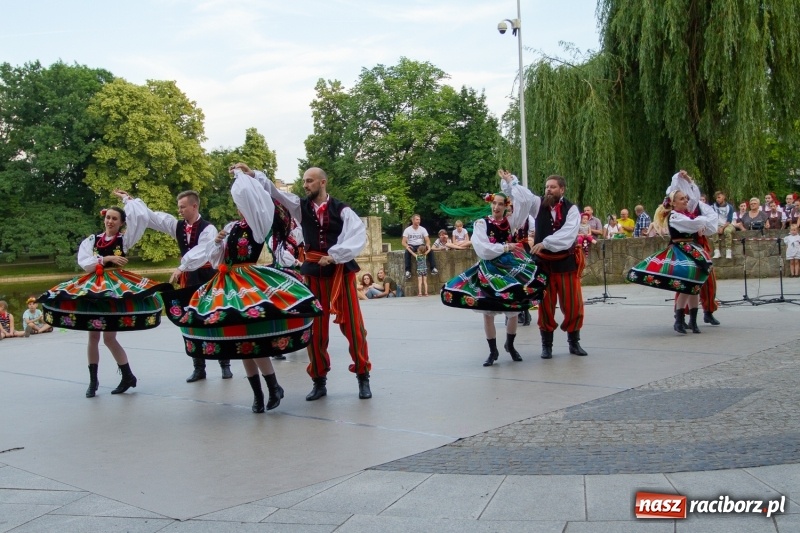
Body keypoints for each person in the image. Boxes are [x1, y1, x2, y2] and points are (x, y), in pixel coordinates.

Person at [162, 165, 322, 413]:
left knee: (251, 337)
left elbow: (266, 207)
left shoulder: (258, 226)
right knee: (240, 340)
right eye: (238, 202)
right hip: (227, 281)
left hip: (248, 281)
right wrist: (216, 243)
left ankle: (272, 387)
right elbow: (216, 259)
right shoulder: (231, 226)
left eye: (243, 201)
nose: (239, 206)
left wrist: (247, 178)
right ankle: (259, 394)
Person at [254, 166, 373, 400]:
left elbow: (358, 234)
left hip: (340, 272)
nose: (305, 185)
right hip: (314, 273)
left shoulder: (342, 209)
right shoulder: (301, 207)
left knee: (354, 327)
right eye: (304, 181)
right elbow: (275, 193)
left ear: (323, 183)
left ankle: (362, 376)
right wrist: (253, 176)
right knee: (316, 330)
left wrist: (336, 254)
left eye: (309, 181)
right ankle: (319, 380)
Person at [37, 202, 169, 397]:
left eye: (115, 219)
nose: (110, 221)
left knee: (109, 338)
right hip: (95, 286)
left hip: (114, 288)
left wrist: (130, 201)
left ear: (122, 223)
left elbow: (140, 219)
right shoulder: (93, 239)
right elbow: (85, 263)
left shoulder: (124, 240)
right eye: (108, 217)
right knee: (93, 337)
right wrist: (106, 259)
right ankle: (94, 381)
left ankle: (127, 376)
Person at [121, 189, 233, 383]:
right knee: (189, 320)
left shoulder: (208, 229)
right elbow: (152, 217)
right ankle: (199, 368)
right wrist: (131, 202)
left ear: (194, 206)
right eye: (179, 207)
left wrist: (181, 267)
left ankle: (225, 365)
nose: (179, 210)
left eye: (183, 207)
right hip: (188, 279)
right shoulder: (177, 226)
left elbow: (203, 252)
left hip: (207, 277)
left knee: (215, 318)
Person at [441, 170, 547, 366]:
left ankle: (510, 345)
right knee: (487, 310)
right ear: (490, 204)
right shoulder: (482, 223)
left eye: (500, 204)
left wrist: (510, 183)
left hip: (510, 265)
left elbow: (525, 201)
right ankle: (493, 351)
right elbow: (483, 249)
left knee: (514, 307)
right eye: (494, 203)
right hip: (490, 267)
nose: (496, 207)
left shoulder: (511, 221)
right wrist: (506, 246)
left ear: (506, 207)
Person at [627, 184, 716, 334]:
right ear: (673, 203)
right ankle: (679, 320)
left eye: (686, 198)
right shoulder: (675, 216)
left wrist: (700, 227)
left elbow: (697, 227)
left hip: (692, 249)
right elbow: (693, 225)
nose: (685, 201)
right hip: (681, 250)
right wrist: (703, 222)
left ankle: (693, 321)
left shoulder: (686, 215)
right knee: (686, 285)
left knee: (695, 285)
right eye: (682, 199)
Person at [527, 175, 588, 358]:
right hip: (543, 265)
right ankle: (547, 346)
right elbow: (522, 197)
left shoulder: (572, 209)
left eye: (552, 187)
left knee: (572, 304)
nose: (548, 190)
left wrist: (545, 243)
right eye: (547, 187)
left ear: (562, 189)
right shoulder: (538, 205)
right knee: (545, 305)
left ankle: (574, 343)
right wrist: (510, 182)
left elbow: (569, 234)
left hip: (565, 262)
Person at [402, 214, 437, 279]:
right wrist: (407, 246)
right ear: (413, 220)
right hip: (412, 245)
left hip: (421, 245)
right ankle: (408, 271)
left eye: (419, 220)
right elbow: (403, 242)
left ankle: (433, 268)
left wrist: (427, 245)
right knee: (407, 252)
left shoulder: (423, 229)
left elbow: (427, 240)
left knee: (430, 251)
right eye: (417, 219)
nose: (418, 221)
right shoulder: (407, 230)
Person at [710, 191, 735, 259]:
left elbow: (729, 220)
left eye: (719, 197)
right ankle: (717, 251)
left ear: (723, 197)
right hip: (717, 224)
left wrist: (722, 228)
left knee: (727, 231)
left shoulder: (729, 207)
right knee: (714, 230)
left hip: (727, 224)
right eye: (716, 198)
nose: (717, 199)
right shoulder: (713, 207)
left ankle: (728, 251)